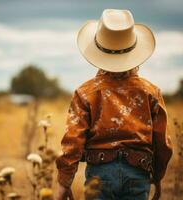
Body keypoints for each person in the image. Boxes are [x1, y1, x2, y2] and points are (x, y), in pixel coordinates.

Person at [56, 9, 173, 200]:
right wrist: (157, 177)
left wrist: (64, 182)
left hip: (99, 175)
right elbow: (162, 143)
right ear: (135, 52)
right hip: (139, 172)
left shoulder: (85, 93)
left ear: (98, 51)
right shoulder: (151, 92)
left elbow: (73, 141)